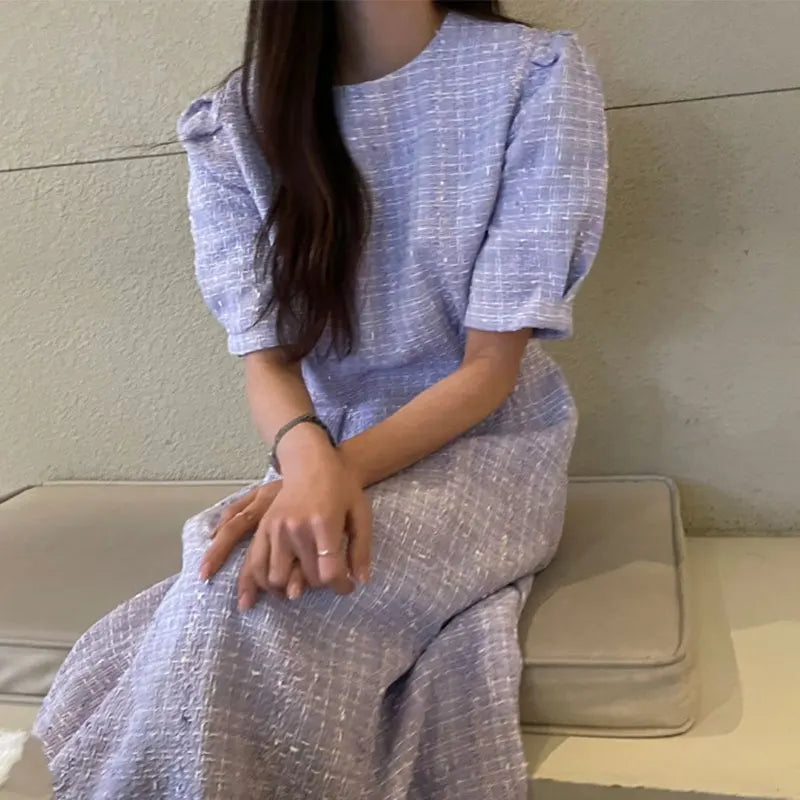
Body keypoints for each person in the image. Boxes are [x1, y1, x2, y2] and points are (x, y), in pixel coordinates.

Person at [34, 1, 607, 797]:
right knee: (229, 574)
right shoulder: (236, 123)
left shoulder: (534, 75)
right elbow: (265, 360)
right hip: (316, 452)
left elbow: (489, 371)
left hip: (489, 454)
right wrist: (308, 465)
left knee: (260, 592)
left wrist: (330, 475)